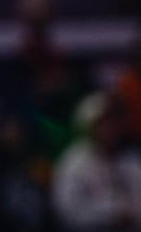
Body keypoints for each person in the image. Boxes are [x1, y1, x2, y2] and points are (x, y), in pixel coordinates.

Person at [52, 93, 141, 231]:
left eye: (114, 121)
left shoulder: (131, 159)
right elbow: (67, 211)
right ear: (90, 126)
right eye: (103, 123)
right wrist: (111, 214)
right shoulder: (74, 161)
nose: (111, 128)